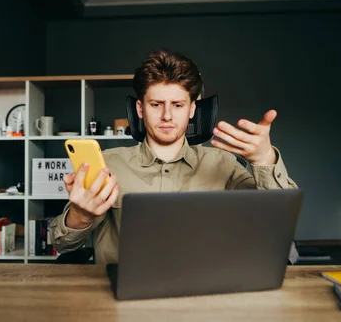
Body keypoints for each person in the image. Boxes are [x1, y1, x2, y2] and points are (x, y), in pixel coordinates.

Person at [49, 49, 299, 264]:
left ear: (192, 109)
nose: (167, 116)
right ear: (140, 108)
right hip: (120, 299)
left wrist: (265, 159)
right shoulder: (107, 163)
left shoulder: (223, 163)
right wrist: (80, 216)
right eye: (156, 104)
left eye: (178, 105)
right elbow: (63, 245)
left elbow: (278, 222)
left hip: (204, 293)